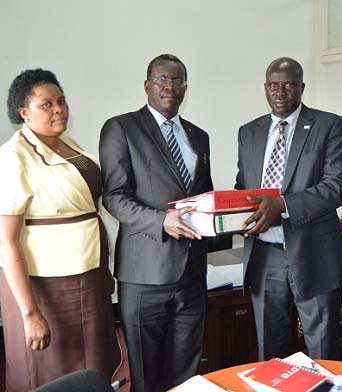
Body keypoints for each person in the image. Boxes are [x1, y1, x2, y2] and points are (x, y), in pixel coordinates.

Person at [0, 69, 120, 391]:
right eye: (46, 104)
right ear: (24, 112)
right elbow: (6, 242)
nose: (58, 109)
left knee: (94, 366)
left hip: (86, 278)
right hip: (46, 288)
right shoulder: (11, 159)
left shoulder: (65, 144)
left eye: (61, 101)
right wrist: (30, 314)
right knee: (54, 371)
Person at [99, 54, 214, 392]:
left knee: (187, 377)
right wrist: (162, 221)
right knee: (148, 379)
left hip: (192, 275)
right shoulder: (121, 128)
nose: (169, 86)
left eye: (177, 80)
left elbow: (202, 198)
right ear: (147, 84)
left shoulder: (198, 136)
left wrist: (231, 214)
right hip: (145, 274)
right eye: (162, 79)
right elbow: (114, 197)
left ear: (185, 88)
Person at [235, 57, 342, 361]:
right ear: (265, 88)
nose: (280, 91)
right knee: (269, 351)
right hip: (265, 255)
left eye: (288, 84)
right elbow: (243, 187)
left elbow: (338, 186)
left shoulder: (329, 125)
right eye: (273, 85)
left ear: (301, 87)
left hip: (314, 254)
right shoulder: (248, 132)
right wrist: (227, 212)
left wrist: (283, 205)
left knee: (322, 350)